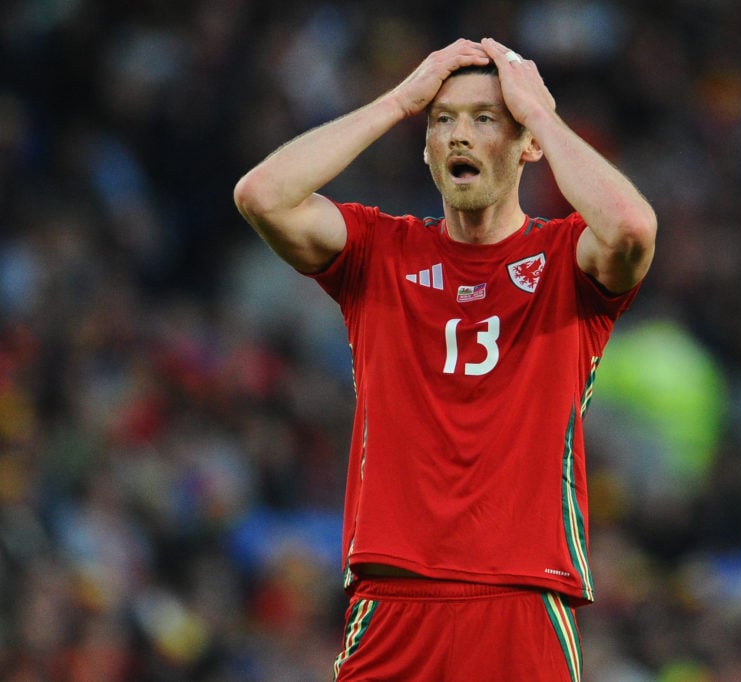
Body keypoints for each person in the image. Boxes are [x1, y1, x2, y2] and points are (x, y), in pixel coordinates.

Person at [233, 37, 656, 681]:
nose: (460, 136)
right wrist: (398, 101)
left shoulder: (567, 261)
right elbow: (262, 196)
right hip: (392, 597)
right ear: (427, 147)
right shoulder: (380, 251)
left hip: (523, 597)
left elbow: (631, 228)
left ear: (526, 146)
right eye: (443, 121)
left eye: (485, 119)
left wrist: (541, 113)